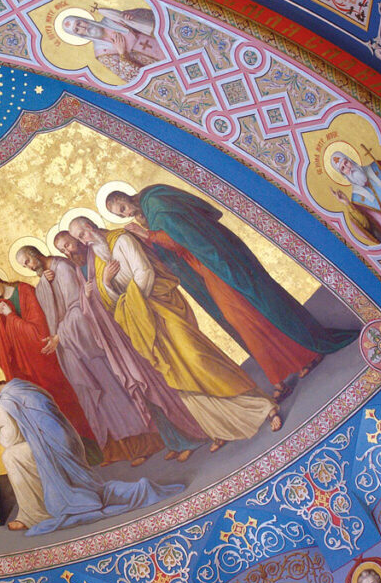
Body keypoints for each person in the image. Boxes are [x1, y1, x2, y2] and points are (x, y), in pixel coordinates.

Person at [67, 222, 281, 452]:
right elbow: (110, 301)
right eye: (79, 239)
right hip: (142, 322)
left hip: (160, 307)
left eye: (83, 233)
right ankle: (219, 428)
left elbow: (145, 272)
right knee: (176, 372)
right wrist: (107, 283)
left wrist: (137, 306)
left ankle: (264, 407)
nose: (84, 240)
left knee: (198, 357)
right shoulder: (98, 262)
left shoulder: (122, 239)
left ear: (91, 225)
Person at [105, 186, 357, 363]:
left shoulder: (155, 203)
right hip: (209, 260)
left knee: (256, 301)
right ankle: (297, 356)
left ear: (126, 196)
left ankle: (306, 347)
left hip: (216, 257)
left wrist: (147, 235)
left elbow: (181, 238)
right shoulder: (148, 208)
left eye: (123, 207)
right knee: (245, 310)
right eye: (120, 214)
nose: (125, 214)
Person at [51, 230, 207, 461]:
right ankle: (173, 441)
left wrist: (101, 286)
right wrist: (87, 295)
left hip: (126, 329)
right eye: (63, 250)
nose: (68, 251)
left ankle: (191, 437)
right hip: (110, 339)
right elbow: (85, 304)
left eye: (69, 244)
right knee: (141, 391)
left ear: (77, 240)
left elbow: (121, 285)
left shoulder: (98, 254)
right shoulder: (77, 269)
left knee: (153, 383)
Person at [0, 370, 182, 535]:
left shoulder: (7, 402)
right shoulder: (20, 386)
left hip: (52, 445)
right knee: (87, 485)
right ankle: (134, 490)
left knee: (11, 456)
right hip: (66, 438)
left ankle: (35, 515)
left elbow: (10, 439)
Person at [15, 246, 164, 466]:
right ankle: (116, 450)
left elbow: (79, 307)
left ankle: (143, 444)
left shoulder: (63, 268)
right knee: (92, 400)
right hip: (69, 348)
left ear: (35, 254)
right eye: (24, 265)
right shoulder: (45, 279)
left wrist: (60, 336)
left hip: (85, 342)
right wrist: (45, 286)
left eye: (27, 261)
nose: (28, 267)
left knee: (110, 391)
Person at [0, 272, 96, 442]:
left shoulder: (24, 291)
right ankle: (57, 445)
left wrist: (11, 316)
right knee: (38, 408)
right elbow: (1, 345)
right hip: (23, 368)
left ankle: (85, 442)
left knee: (61, 399)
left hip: (43, 358)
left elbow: (38, 332)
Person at [61, 8, 165, 81]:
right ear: (79, 35)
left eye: (79, 23)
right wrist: (122, 54)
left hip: (161, 41)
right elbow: (129, 77)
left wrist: (133, 16)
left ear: (84, 19)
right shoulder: (101, 53)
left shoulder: (111, 18)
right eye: (77, 29)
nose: (83, 28)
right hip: (156, 64)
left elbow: (151, 15)